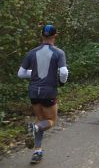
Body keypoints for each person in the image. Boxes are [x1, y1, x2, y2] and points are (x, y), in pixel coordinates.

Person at [17, 24, 68, 164]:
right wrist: (62, 82)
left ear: (41, 35)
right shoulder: (58, 52)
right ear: (55, 36)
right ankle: (34, 129)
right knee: (50, 121)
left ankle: (37, 151)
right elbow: (64, 72)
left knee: (40, 119)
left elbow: (20, 73)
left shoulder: (31, 52)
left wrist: (33, 74)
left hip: (33, 91)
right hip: (48, 91)